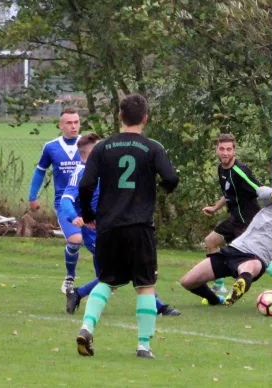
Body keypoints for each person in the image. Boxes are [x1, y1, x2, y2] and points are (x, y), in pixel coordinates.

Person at [74, 94, 179, 359]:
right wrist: (164, 187)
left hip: (109, 227)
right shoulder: (152, 148)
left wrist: (88, 214)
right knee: (145, 285)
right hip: (139, 226)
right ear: (145, 118)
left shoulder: (102, 147)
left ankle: (87, 327)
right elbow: (171, 178)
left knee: (107, 281)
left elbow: (86, 185)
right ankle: (144, 345)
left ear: (119, 116)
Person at [60, 133, 180, 316]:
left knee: (112, 277)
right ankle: (158, 307)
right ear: (92, 152)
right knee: (128, 268)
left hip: (112, 226)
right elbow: (66, 199)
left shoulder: (105, 170)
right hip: (95, 231)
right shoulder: (81, 171)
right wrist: (73, 217)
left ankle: (78, 293)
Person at [180, 177, 272, 307]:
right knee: (187, 281)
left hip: (257, 258)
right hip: (234, 249)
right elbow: (260, 191)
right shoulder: (271, 203)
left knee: (248, 268)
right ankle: (215, 300)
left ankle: (240, 286)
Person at [27, 108, 83, 294]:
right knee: (75, 240)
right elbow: (40, 172)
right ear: (60, 125)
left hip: (89, 204)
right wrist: (32, 197)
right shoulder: (51, 147)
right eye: (69, 123)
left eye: (76, 122)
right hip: (64, 204)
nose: (73, 126)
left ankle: (105, 280)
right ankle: (70, 277)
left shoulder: (87, 145)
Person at [202, 134, 262, 294]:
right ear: (216, 150)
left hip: (247, 222)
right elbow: (228, 193)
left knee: (251, 260)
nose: (225, 153)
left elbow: (260, 190)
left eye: (229, 149)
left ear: (234, 151)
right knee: (210, 242)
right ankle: (219, 285)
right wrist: (215, 208)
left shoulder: (240, 171)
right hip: (234, 219)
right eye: (222, 149)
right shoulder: (221, 169)